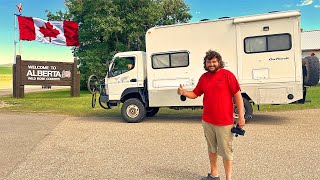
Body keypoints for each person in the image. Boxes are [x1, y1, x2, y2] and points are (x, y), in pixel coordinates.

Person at [177, 50, 245, 180]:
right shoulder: (204, 78)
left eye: (214, 61)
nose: (211, 64)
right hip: (208, 121)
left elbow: (238, 96)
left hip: (224, 122)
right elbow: (195, 93)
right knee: (212, 149)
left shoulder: (227, 75)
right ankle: (214, 175)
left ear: (219, 62)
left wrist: (241, 116)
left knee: (226, 152)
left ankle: (228, 178)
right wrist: (184, 92)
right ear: (206, 63)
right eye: (209, 62)